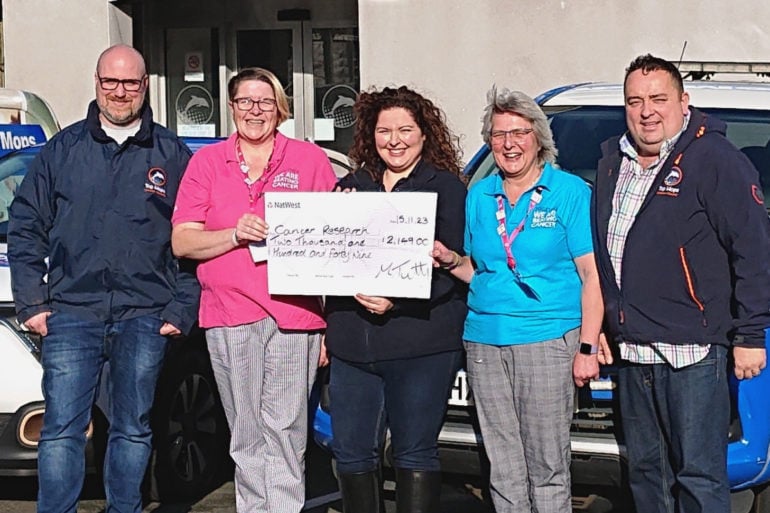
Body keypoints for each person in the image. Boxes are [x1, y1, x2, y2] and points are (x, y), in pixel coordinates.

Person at [7, 45, 200, 513]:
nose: (120, 92)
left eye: (130, 82)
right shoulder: (63, 150)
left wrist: (181, 308)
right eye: (110, 82)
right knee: (60, 430)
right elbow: (25, 224)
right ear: (96, 83)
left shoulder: (171, 153)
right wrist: (32, 303)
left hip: (146, 314)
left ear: (145, 85)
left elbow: (195, 235)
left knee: (133, 428)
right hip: (73, 311)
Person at [592, 54, 770, 513]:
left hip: (692, 354)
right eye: (635, 101)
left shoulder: (714, 159)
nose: (646, 111)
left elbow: (752, 249)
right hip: (634, 354)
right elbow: (607, 252)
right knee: (647, 475)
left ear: (684, 102)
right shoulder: (613, 161)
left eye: (658, 99)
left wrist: (750, 334)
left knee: (698, 478)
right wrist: (608, 325)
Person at [171, 67, 337, 513]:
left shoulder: (309, 161)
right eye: (244, 101)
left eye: (264, 102)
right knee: (245, 433)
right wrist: (232, 235)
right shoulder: (206, 163)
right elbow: (183, 240)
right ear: (231, 108)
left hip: (294, 315)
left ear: (280, 108)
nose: (254, 111)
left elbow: (337, 242)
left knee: (284, 431)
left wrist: (330, 327)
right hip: (228, 312)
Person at [432, 87, 604, 513]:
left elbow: (591, 276)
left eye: (519, 133)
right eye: (498, 134)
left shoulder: (569, 192)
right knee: (502, 465)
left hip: (547, 338)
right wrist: (449, 259)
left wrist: (587, 345)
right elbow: (480, 269)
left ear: (538, 137)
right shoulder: (480, 194)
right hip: (485, 340)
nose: (509, 144)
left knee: (547, 465)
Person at [325, 86, 468, 513]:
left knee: (414, 453)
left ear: (425, 135)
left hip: (421, 344)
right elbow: (325, 259)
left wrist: (397, 302)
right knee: (350, 454)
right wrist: (335, 218)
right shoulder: (348, 188)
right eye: (385, 130)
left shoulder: (446, 188)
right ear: (371, 135)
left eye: (406, 130)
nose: (395, 140)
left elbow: (454, 265)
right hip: (353, 347)